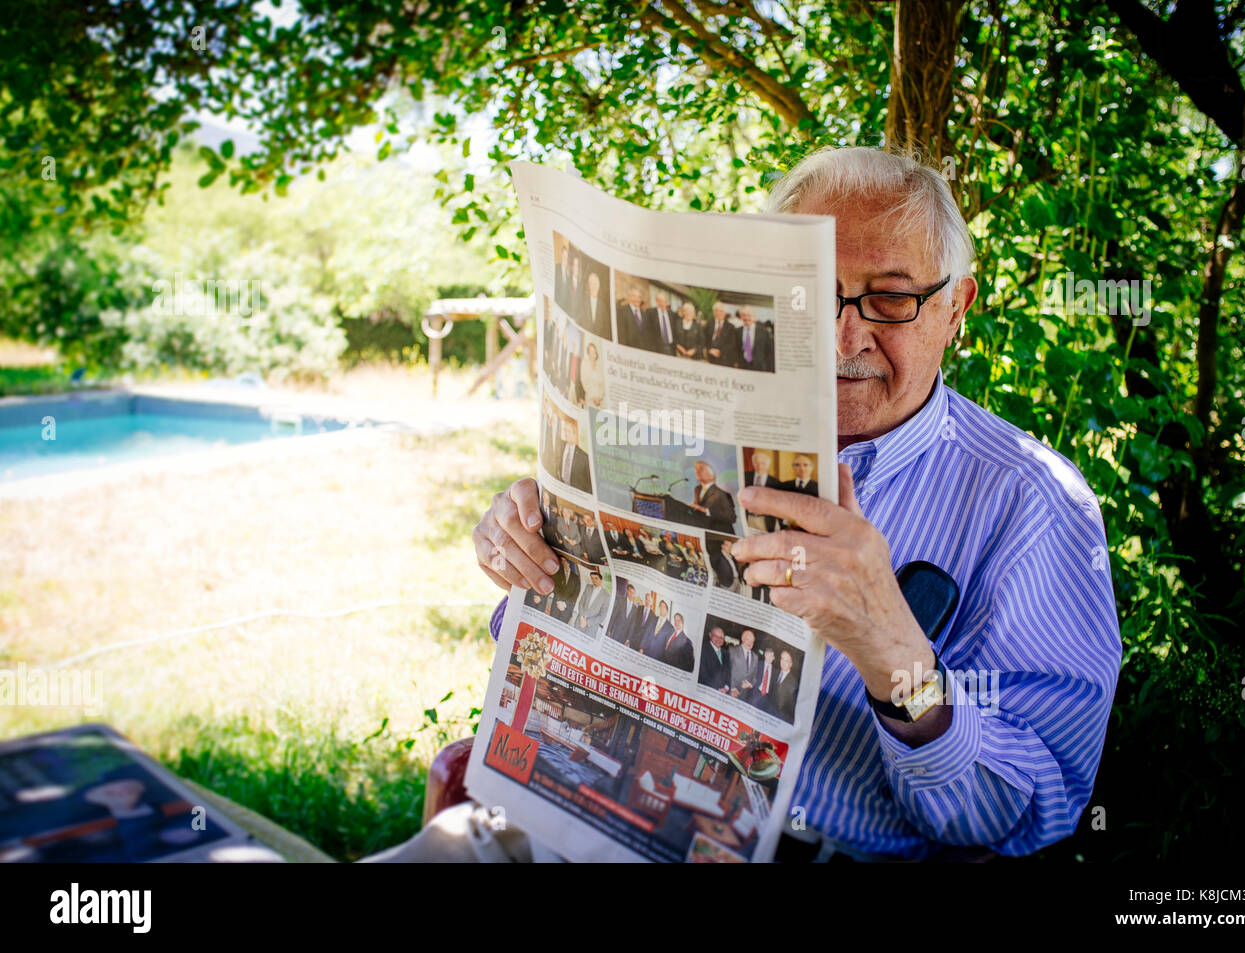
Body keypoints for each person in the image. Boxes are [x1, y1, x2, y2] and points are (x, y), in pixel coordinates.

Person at [465, 145, 1122, 862]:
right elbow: (543, 648)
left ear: (955, 308)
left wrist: (894, 653)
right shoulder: (690, 430)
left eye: (892, 299)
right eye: (811, 294)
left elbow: (1030, 805)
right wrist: (536, 548)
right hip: (587, 811)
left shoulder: (1034, 502)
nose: (845, 337)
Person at [689, 461, 736, 534]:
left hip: (720, 534)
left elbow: (731, 517)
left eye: (701, 469)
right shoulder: (697, 489)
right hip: (703, 531)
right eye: (696, 469)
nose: (697, 471)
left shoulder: (721, 493)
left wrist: (707, 511)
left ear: (712, 475)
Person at [744, 451, 782, 532]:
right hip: (748, 518)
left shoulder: (776, 482)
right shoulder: (745, 476)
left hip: (765, 520)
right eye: (757, 463)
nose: (760, 466)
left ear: (768, 465)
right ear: (753, 464)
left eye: (763, 463)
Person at [729, 304, 774, 372]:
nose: (746, 318)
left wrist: (770, 370)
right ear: (740, 317)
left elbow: (770, 352)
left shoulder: (764, 332)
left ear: (754, 316)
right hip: (742, 366)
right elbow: (734, 349)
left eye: (749, 315)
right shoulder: (737, 331)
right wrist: (735, 362)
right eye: (744, 315)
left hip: (760, 368)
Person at [574, 570, 611, 637]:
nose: (594, 580)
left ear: (601, 580)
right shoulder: (588, 587)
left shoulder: (606, 595)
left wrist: (587, 622)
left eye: (596, 578)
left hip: (591, 628)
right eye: (592, 578)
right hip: (579, 621)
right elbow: (581, 602)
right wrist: (582, 617)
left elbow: (602, 615)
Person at [728, 630, 761, 701]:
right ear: (742, 639)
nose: (750, 643)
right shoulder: (732, 650)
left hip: (745, 695)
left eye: (752, 641)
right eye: (748, 639)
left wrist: (751, 684)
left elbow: (754, 676)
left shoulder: (755, 657)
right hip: (731, 692)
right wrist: (732, 688)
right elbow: (726, 671)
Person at [579, 270, 611, 339]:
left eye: (595, 284)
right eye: (591, 283)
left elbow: (606, 329)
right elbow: (579, 322)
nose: (594, 286)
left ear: (599, 286)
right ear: (589, 285)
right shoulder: (582, 302)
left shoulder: (603, 306)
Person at [616, 286, 651, 351]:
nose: (637, 299)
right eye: (634, 296)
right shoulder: (622, 311)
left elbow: (647, 336)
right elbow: (621, 336)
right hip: (629, 351)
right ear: (629, 297)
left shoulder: (644, 314)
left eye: (639, 297)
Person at [698, 626, 730, 691]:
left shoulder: (726, 653)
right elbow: (702, 674)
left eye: (721, 637)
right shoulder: (702, 650)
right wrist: (717, 689)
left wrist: (726, 687)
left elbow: (729, 672)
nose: (719, 639)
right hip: (708, 690)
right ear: (710, 635)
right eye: (716, 636)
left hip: (724, 692)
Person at [705, 300, 734, 365]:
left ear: (725, 313)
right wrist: (709, 349)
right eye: (716, 310)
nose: (718, 313)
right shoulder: (709, 324)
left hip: (723, 358)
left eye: (721, 311)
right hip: (709, 355)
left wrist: (720, 352)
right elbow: (704, 338)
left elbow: (731, 344)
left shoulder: (731, 327)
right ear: (714, 312)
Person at [649, 291, 677, 356]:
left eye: (664, 301)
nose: (663, 303)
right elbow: (648, 331)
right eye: (660, 301)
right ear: (656, 301)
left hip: (671, 346)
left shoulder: (672, 314)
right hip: (658, 347)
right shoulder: (650, 313)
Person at [580, 340, 605, 408]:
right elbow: (584, 382)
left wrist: (599, 398)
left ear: (596, 353)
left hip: (600, 401)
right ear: (588, 353)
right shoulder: (584, 364)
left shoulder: (599, 367)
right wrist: (593, 398)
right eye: (590, 352)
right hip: (589, 399)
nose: (592, 354)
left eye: (594, 352)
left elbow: (603, 385)